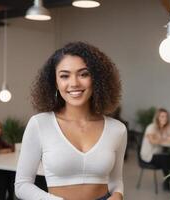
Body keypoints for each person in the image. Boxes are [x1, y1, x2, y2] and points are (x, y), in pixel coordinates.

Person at [15, 42, 127, 200]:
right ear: (55, 82)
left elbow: (116, 180)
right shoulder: (40, 124)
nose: (74, 83)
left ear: (97, 79)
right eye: (64, 76)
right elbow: (22, 185)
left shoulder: (117, 129)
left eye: (83, 74)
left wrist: (118, 195)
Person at [140, 108, 170, 190]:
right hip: (149, 155)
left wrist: (169, 127)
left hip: (159, 154)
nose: (165, 118)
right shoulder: (151, 127)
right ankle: (168, 183)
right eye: (162, 116)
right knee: (167, 159)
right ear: (157, 118)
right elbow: (153, 141)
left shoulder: (165, 128)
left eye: (166, 117)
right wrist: (166, 139)